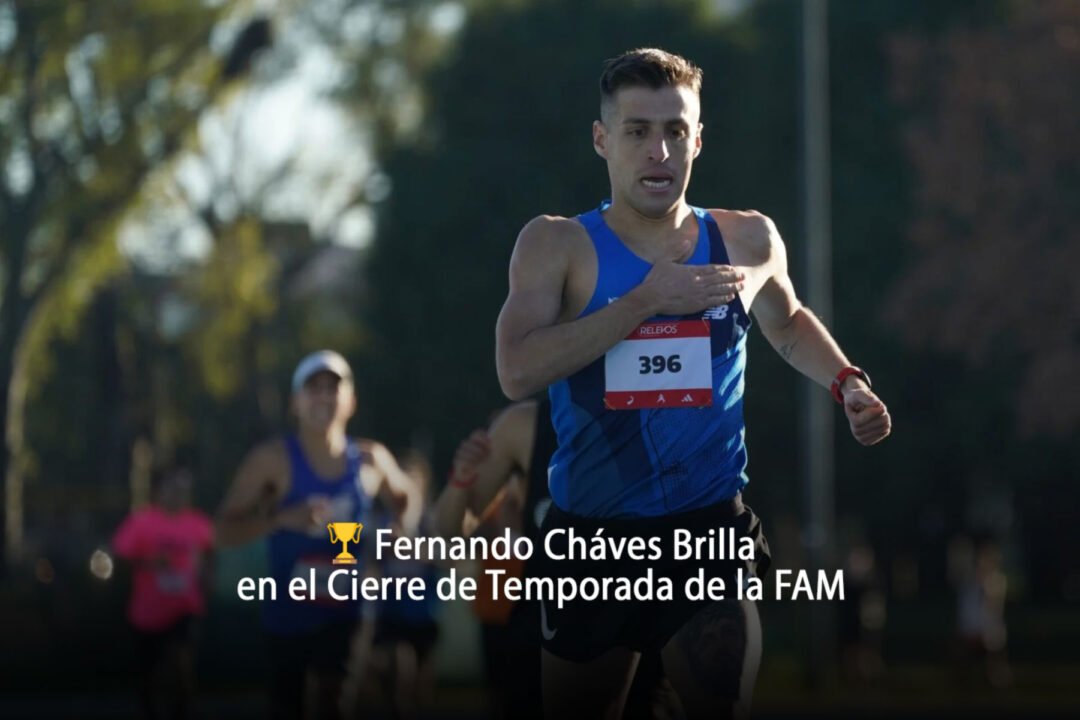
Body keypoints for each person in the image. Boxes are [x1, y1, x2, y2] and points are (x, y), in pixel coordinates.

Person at [493, 48, 892, 719]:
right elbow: (516, 371)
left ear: (698, 140)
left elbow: (787, 321)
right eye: (637, 130)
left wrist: (846, 381)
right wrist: (643, 302)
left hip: (705, 529)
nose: (659, 150)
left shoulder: (746, 239)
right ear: (602, 140)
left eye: (676, 131)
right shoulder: (556, 246)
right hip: (594, 538)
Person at [435, 399, 680, 720]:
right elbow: (448, 534)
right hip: (539, 646)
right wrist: (461, 481)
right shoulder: (525, 424)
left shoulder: (668, 410)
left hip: (642, 645)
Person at [216, 350, 419, 720]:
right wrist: (280, 520)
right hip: (287, 617)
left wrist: (397, 529)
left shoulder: (371, 460)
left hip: (348, 611)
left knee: (336, 705)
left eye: (333, 388)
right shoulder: (272, 460)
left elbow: (408, 496)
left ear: (351, 401)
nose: (324, 397)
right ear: (295, 403)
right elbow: (222, 532)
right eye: (314, 389)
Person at [113, 466, 215, 720]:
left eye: (182, 490)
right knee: (148, 674)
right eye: (171, 489)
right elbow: (120, 558)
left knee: (181, 663)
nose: (178, 495)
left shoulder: (199, 523)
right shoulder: (141, 522)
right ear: (158, 492)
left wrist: (206, 580)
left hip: (185, 608)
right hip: (147, 613)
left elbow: (210, 556)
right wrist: (148, 563)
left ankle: (182, 711)